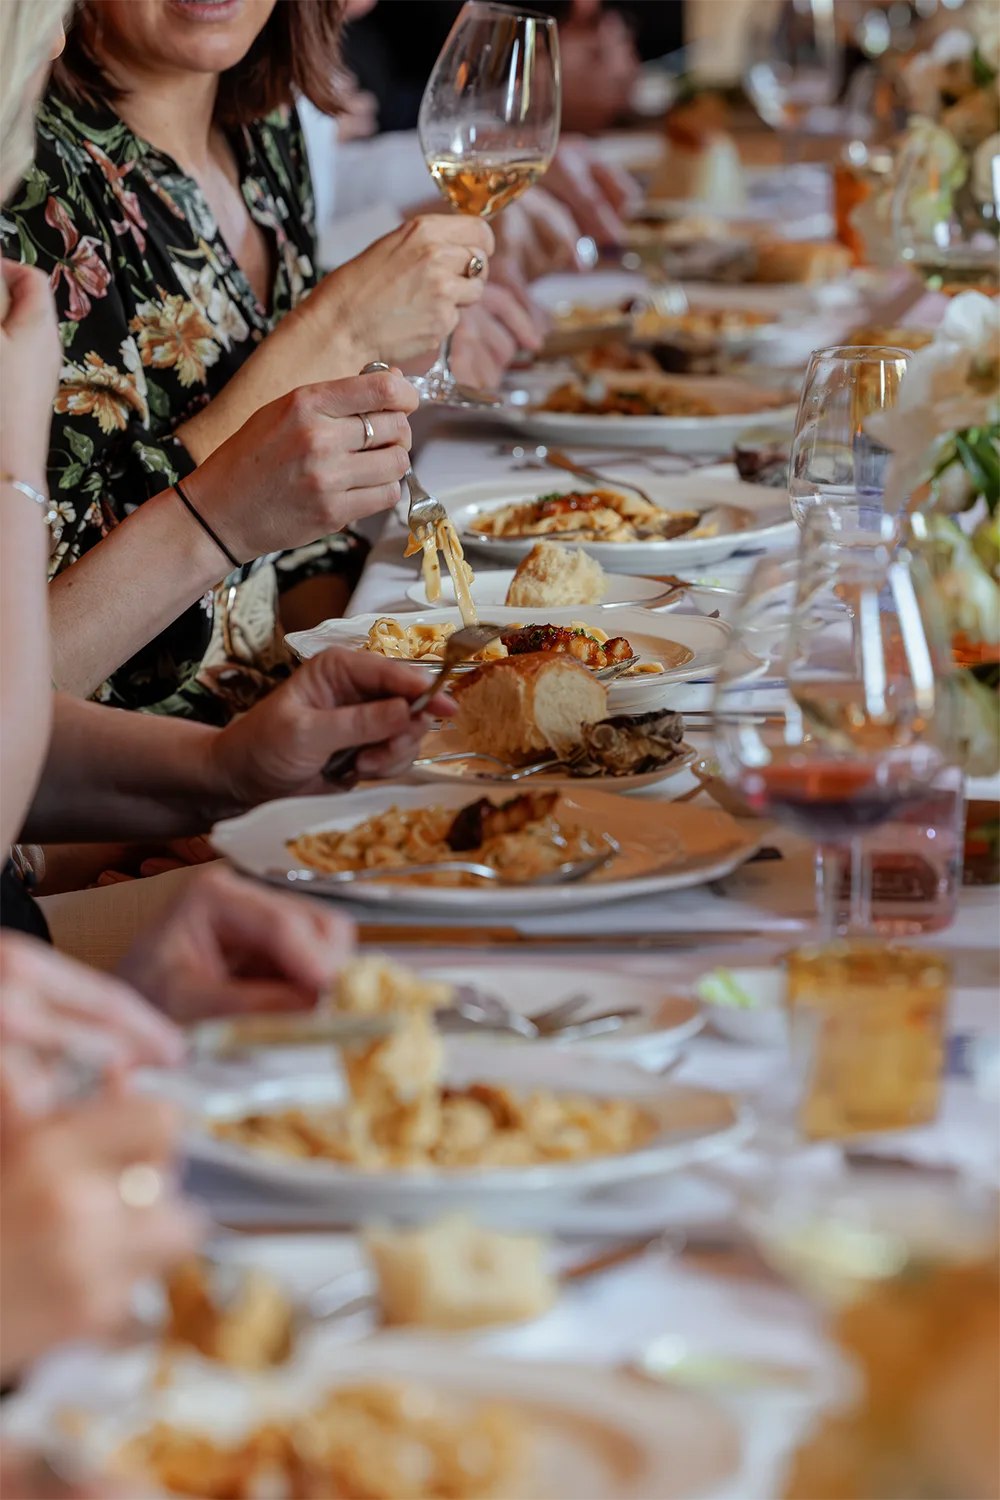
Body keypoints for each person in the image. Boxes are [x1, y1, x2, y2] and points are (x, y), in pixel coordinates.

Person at [1, 0, 497, 723]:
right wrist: (331, 331)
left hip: (274, 734)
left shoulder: (263, 128)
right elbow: (35, 669)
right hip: (130, 786)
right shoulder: (27, 182)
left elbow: (297, 547)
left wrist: (378, 680)